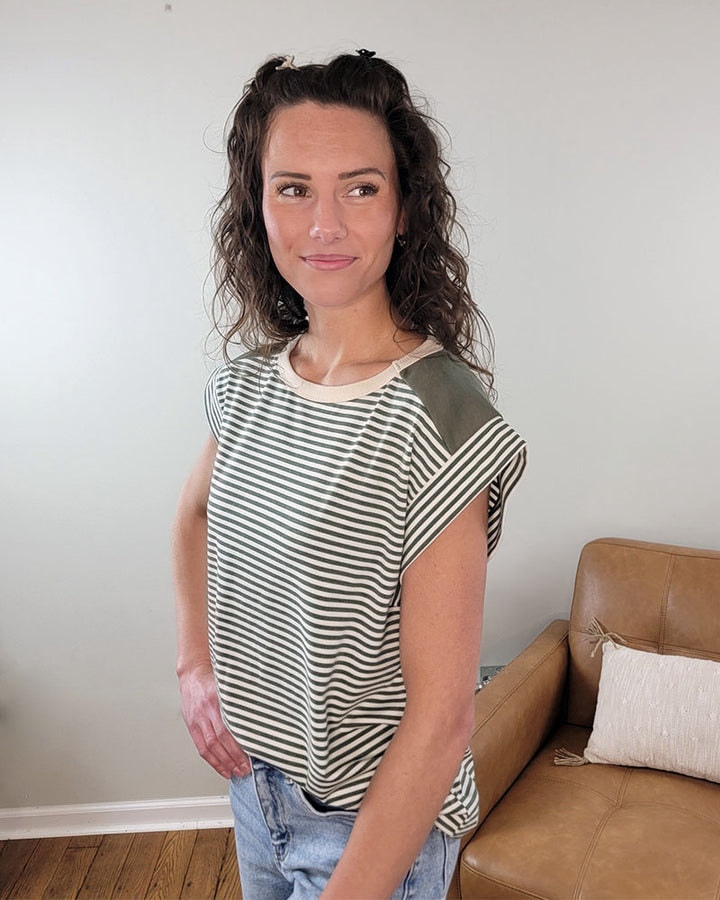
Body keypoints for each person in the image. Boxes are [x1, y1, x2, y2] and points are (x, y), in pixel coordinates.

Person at [172, 50, 527, 900]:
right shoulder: (251, 383)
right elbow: (194, 519)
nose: (323, 223)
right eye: (293, 188)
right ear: (256, 208)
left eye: (360, 188)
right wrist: (195, 668)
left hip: (373, 833)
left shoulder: (439, 418)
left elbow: (442, 723)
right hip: (259, 794)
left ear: (405, 209)